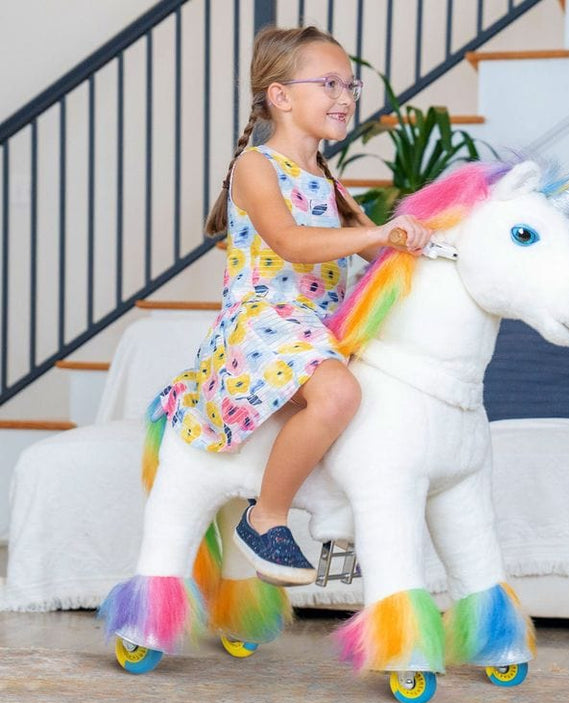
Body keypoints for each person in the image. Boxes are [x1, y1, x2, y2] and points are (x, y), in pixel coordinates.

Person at [160, 25, 431, 586]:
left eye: (350, 85)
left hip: (321, 326)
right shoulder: (255, 166)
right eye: (329, 83)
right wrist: (376, 234)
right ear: (280, 96)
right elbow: (291, 243)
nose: (345, 96)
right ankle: (266, 518)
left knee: (388, 396)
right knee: (339, 394)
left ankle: (343, 515)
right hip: (264, 321)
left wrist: (420, 243)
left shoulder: (330, 182)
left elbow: (374, 257)